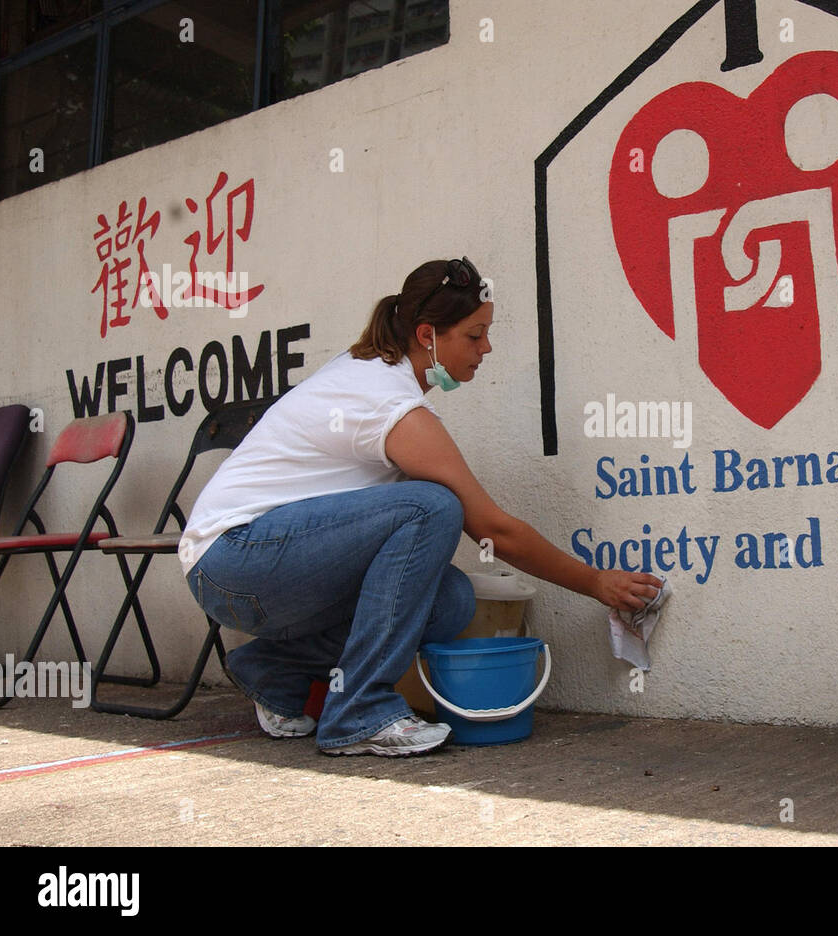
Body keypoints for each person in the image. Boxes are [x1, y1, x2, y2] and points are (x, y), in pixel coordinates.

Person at [179, 256, 662, 756]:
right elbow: (494, 529)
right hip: (233, 559)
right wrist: (596, 582)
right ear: (428, 334)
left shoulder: (376, 375)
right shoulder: (387, 402)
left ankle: (274, 670)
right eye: (475, 336)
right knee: (432, 507)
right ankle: (358, 713)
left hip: (264, 571)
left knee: (449, 599)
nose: (487, 348)